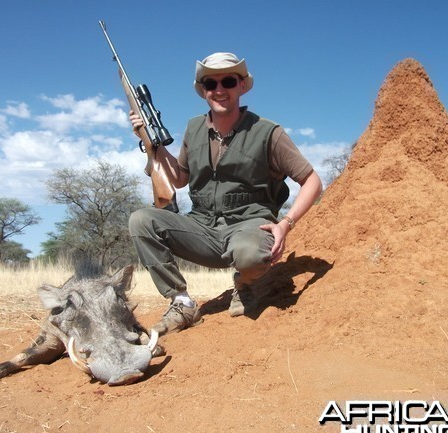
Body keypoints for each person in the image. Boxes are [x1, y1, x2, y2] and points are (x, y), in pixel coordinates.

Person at [128, 52, 322, 336]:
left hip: (248, 225)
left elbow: (312, 181)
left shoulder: (268, 132)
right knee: (141, 221)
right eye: (211, 84)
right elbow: (180, 180)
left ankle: (247, 282)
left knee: (251, 255)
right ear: (203, 91)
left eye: (228, 81)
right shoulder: (193, 128)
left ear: (241, 86)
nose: (219, 90)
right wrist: (152, 145)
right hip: (203, 227)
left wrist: (286, 223)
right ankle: (181, 303)